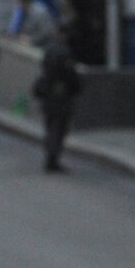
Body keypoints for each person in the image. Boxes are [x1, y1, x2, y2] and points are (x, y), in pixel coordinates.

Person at [33, 29, 83, 174]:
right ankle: (53, 158)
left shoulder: (49, 50)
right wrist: (76, 88)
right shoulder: (65, 53)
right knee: (59, 128)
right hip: (61, 96)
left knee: (50, 126)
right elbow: (70, 76)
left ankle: (50, 155)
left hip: (48, 94)